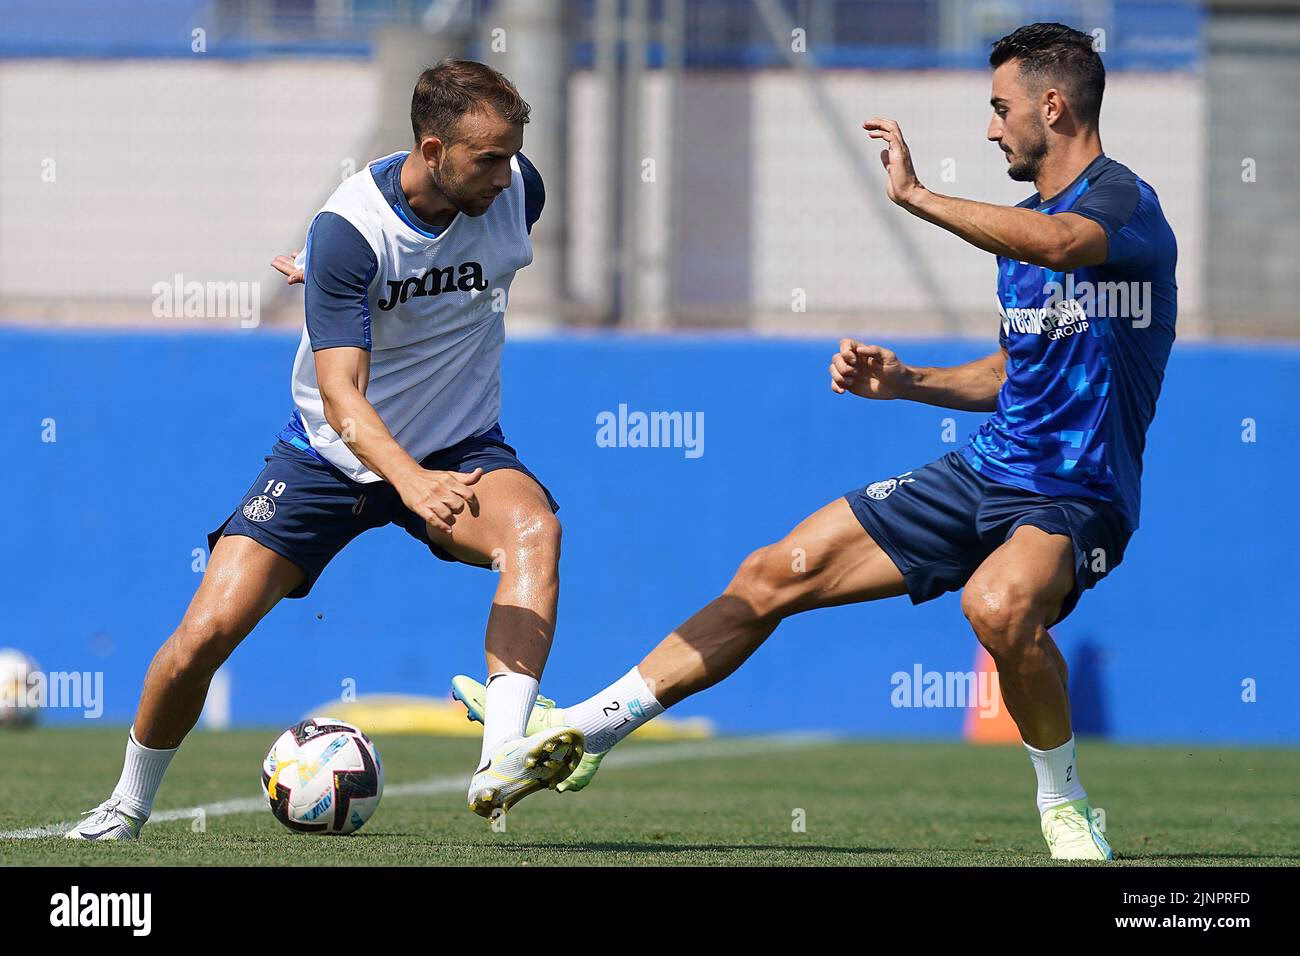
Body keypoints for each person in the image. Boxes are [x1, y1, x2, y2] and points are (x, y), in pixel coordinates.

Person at [455, 21, 1178, 859]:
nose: (992, 127)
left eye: (1000, 107)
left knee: (998, 606)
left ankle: (1064, 802)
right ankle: (592, 730)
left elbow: (1063, 244)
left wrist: (917, 197)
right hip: (989, 469)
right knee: (772, 572)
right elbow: (1023, 369)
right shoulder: (1020, 225)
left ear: (1052, 106)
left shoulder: (1124, 207)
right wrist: (908, 383)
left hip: (1074, 493)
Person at [66, 59, 583, 841]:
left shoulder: (519, 192)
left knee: (535, 530)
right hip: (327, 457)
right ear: (433, 147)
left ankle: (502, 752)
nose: (506, 174)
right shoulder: (350, 231)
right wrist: (405, 476)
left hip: (461, 444)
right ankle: (126, 805)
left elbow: (451, 264)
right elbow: (344, 398)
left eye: (512, 154)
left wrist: (335, 281)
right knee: (204, 634)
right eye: (488, 158)